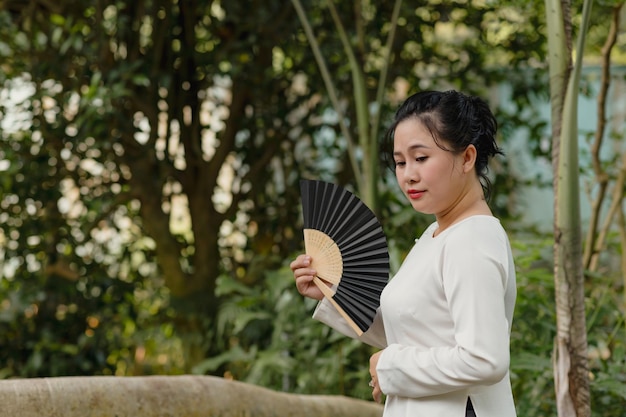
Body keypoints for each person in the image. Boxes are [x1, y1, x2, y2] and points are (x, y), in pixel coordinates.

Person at [290, 90, 517, 417]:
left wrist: (391, 366)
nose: (408, 174)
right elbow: (411, 330)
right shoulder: (437, 235)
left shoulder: (472, 239)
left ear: (467, 158)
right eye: (400, 162)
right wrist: (332, 291)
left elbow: (485, 360)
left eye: (421, 158)